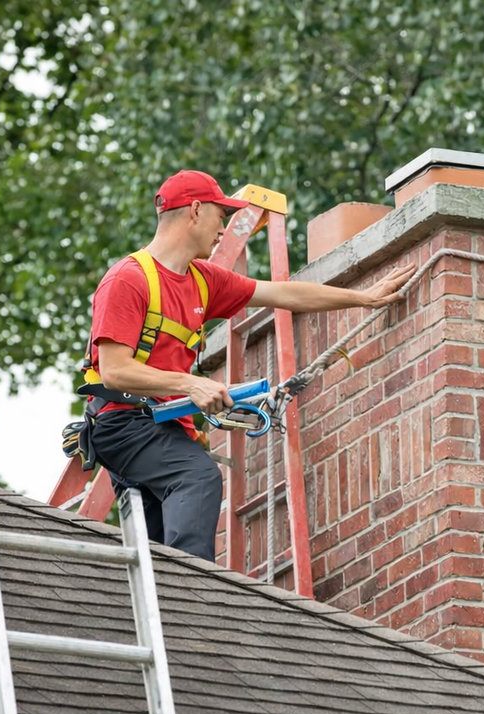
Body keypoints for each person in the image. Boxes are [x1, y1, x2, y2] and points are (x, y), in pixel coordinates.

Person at [82, 169, 414, 561]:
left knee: (155, 549)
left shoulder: (203, 281)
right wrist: (191, 385)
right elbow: (115, 371)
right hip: (122, 423)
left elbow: (284, 292)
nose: (223, 229)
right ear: (194, 210)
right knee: (197, 477)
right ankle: (194, 598)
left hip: (163, 427)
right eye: (220, 216)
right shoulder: (127, 279)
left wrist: (363, 298)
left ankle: (167, 610)